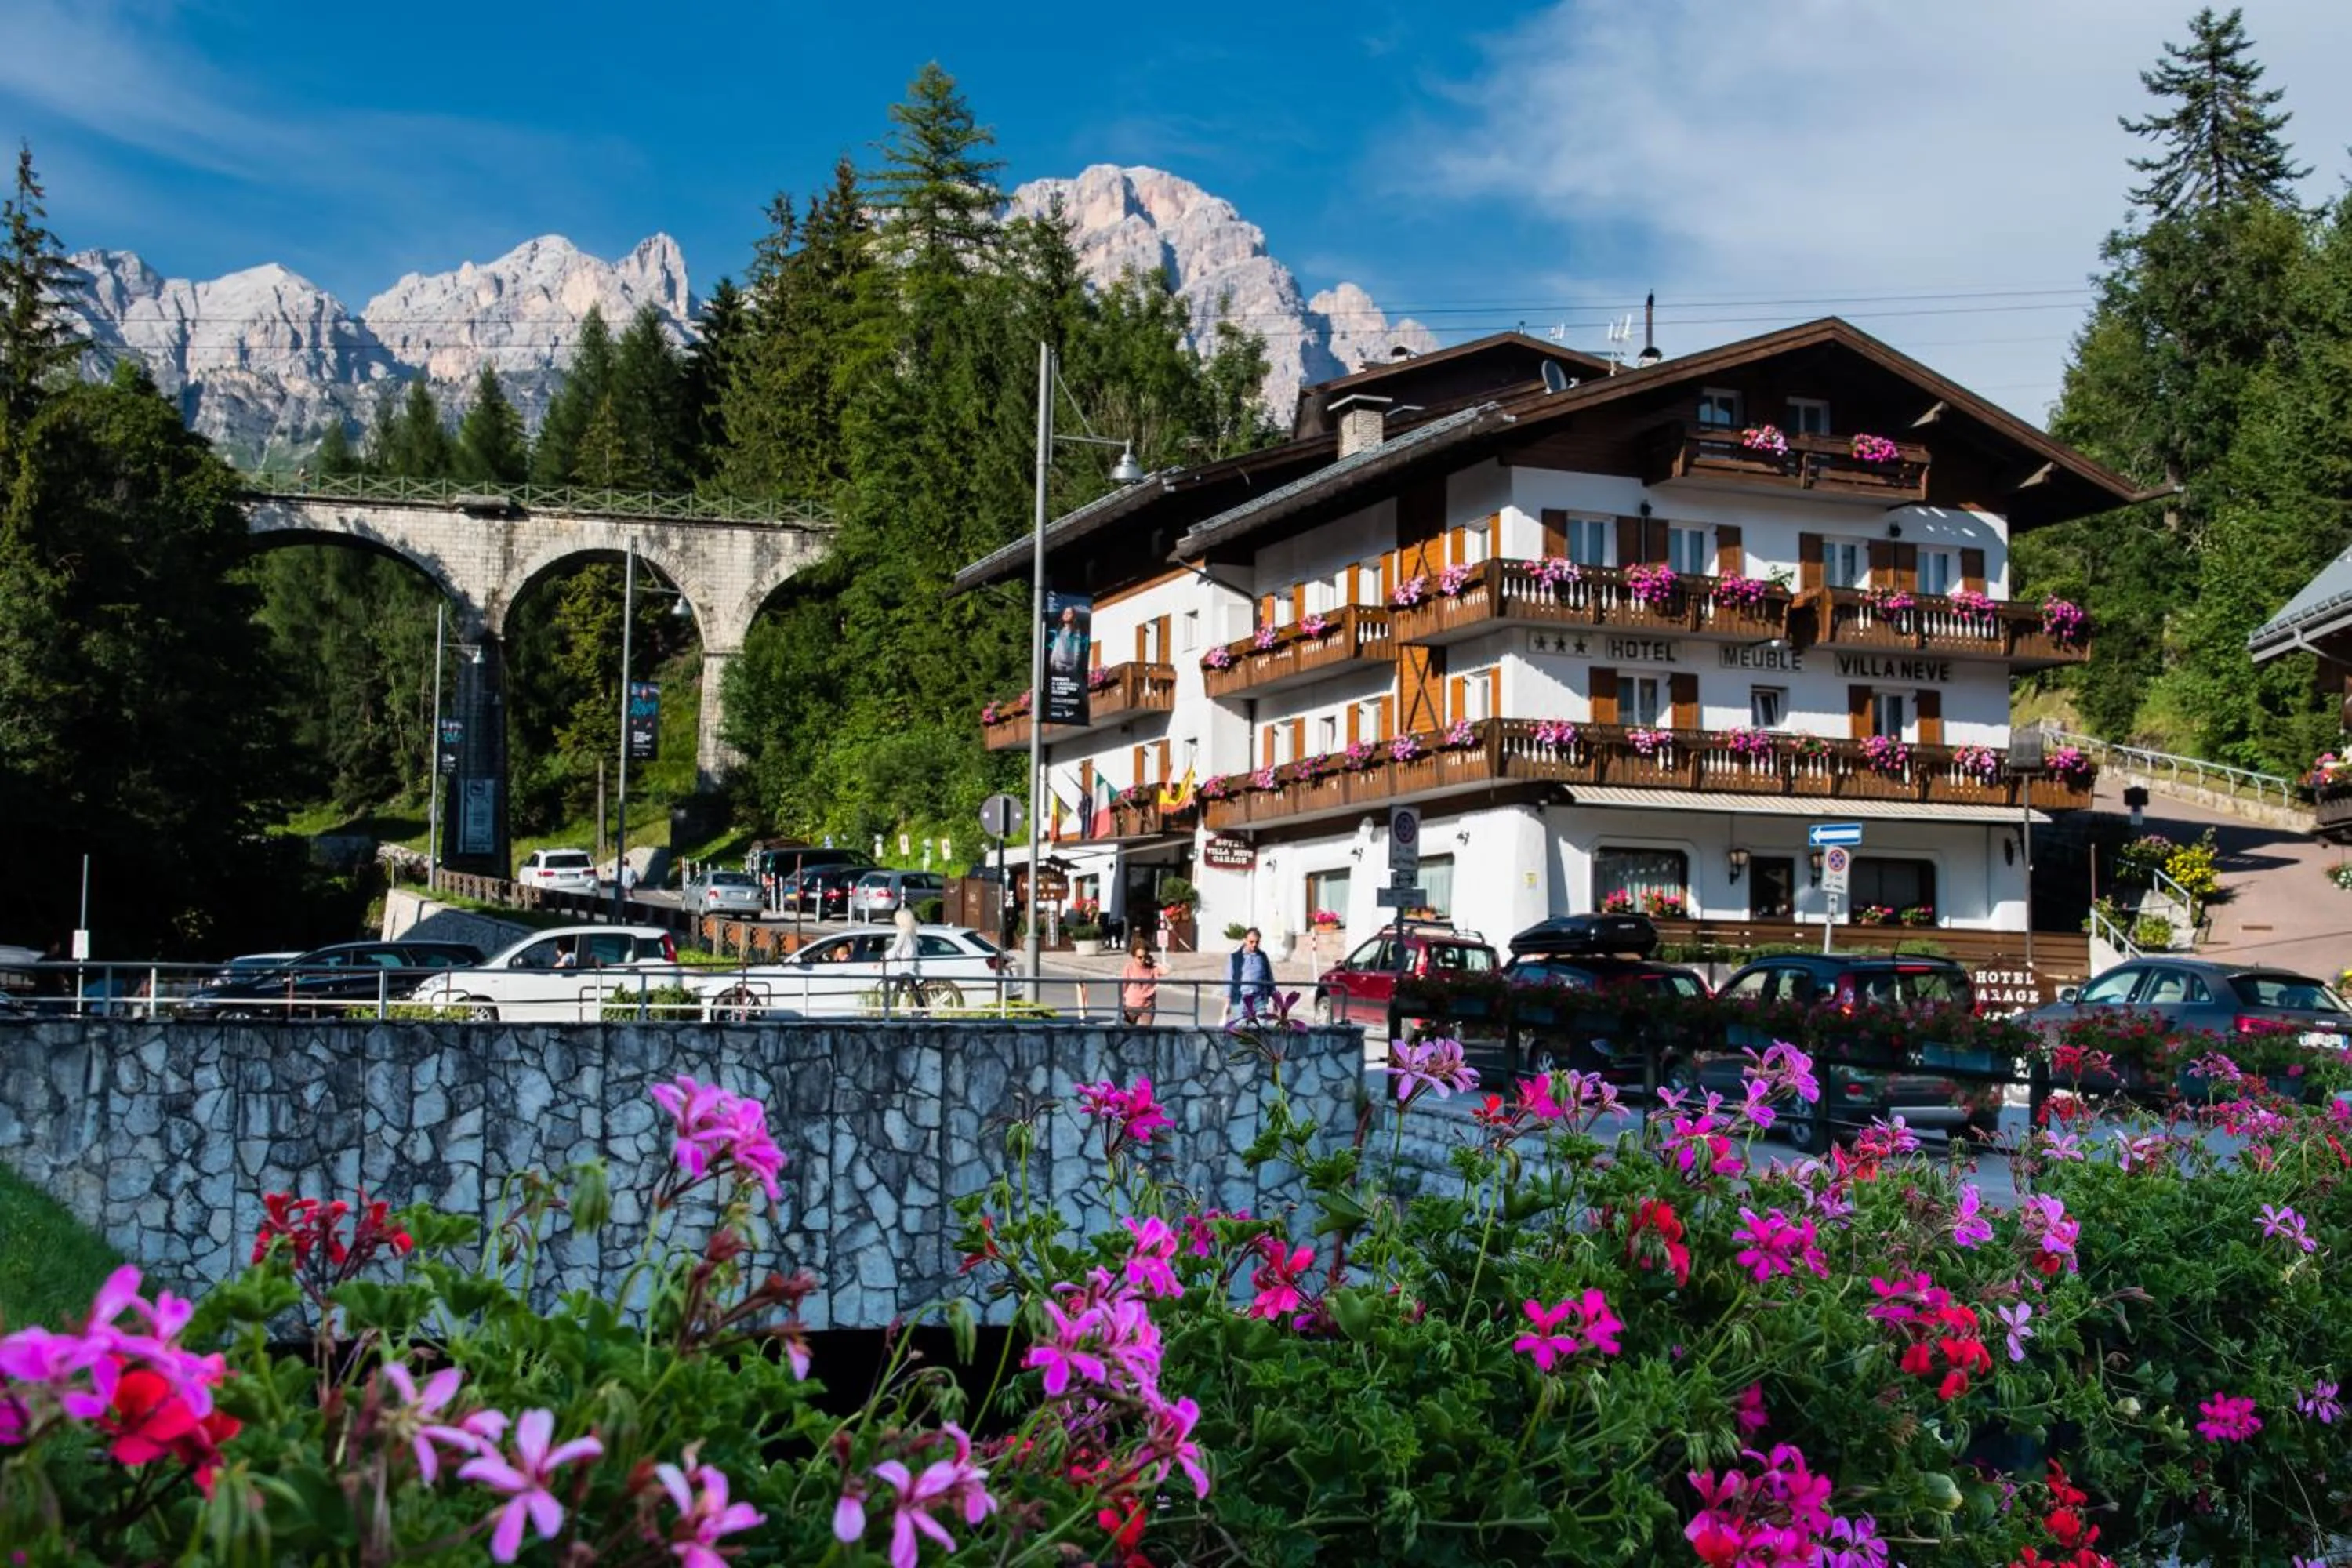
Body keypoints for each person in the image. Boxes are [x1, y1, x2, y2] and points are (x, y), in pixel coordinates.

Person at [1226, 927, 1275, 1023]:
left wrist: (1275, 998)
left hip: (1259, 999)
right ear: (1245, 940)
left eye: (1257, 942)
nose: (1254, 945)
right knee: (1240, 1031)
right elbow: (1228, 980)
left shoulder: (1262, 956)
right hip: (1241, 1000)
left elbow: (1270, 977)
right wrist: (1227, 1005)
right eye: (1251, 942)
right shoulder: (1235, 957)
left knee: (1263, 1029)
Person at [1121, 938, 1161, 1025]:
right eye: (1139, 957)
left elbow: (1167, 970)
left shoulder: (1152, 968)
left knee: (1143, 1035)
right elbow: (1123, 986)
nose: (1142, 960)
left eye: (1145, 957)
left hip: (1147, 1007)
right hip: (1131, 1006)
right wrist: (1122, 1004)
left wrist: (1155, 962)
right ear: (1134, 956)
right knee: (1127, 1034)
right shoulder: (1129, 968)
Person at [1047, 604, 1087, 679]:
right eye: (1065, 612)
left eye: (1069, 613)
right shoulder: (1059, 631)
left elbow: (1077, 650)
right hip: (1058, 665)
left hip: (1070, 666)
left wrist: (1075, 666)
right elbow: (1056, 649)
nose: (1066, 614)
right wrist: (1051, 663)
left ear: (1073, 616)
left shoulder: (1076, 632)